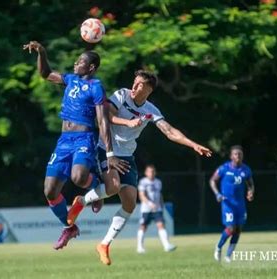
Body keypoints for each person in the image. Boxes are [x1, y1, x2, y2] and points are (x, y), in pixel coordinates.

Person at [67, 70, 212, 265]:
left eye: (140, 85)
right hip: (105, 148)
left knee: (129, 204)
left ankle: (104, 244)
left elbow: (169, 131)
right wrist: (128, 122)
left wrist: (192, 144)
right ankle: (81, 201)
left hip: (127, 155)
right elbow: (106, 115)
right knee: (113, 187)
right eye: (134, 83)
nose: (134, 87)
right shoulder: (121, 95)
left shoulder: (151, 110)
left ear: (149, 89)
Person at [23, 41, 128, 250]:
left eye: (81, 61)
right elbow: (45, 74)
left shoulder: (96, 86)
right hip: (64, 141)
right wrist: (42, 52)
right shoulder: (70, 79)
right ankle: (69, 227)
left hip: (83, 139)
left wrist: (109, 154)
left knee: (78, 177)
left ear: (91, 67)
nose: (75, 63)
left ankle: (94, 183)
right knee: (49, 191)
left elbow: (103, 121)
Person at [209, 145, 255, 263]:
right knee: (230, 228)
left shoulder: (246, 170)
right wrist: (217, 194)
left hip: (240, 204)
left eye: (240, 154)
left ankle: (228, 255)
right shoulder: (224, 168)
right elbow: (212, 181)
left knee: (238, 229)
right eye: (235, 154)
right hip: (227, 203)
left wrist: (250, 192)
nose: (238, 156)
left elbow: (250, 184)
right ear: (231, 156)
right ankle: (218, 247)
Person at [136, 164, 175, 253]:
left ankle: (166, 245)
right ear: (146, 173)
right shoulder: (143, 182)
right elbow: (141, 195)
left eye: (153, 171)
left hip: (157, 209)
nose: (151, 173)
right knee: (143, 226)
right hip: (146, 209)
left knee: (161, 225)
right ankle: (140, 247)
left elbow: (159, 195)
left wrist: (161, 206)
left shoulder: (158, 182)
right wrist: (150, 204)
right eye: (150, 171)